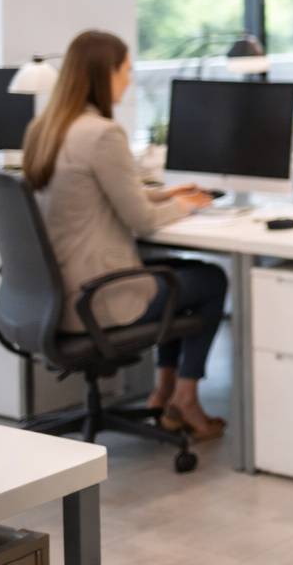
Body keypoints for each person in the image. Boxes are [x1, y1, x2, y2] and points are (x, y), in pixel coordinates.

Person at [22, 30, 229, 442]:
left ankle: (162, 393)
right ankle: (185, 396)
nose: (129, 80)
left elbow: (98, 191)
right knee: (210, 279)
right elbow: (143, 222)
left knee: (179, 274)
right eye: (126, 70)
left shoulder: (44, 128)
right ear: (105, 74)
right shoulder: (102, 133)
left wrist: (166, 193)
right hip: (96, 299)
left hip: (52, 296)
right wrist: (187, 205)